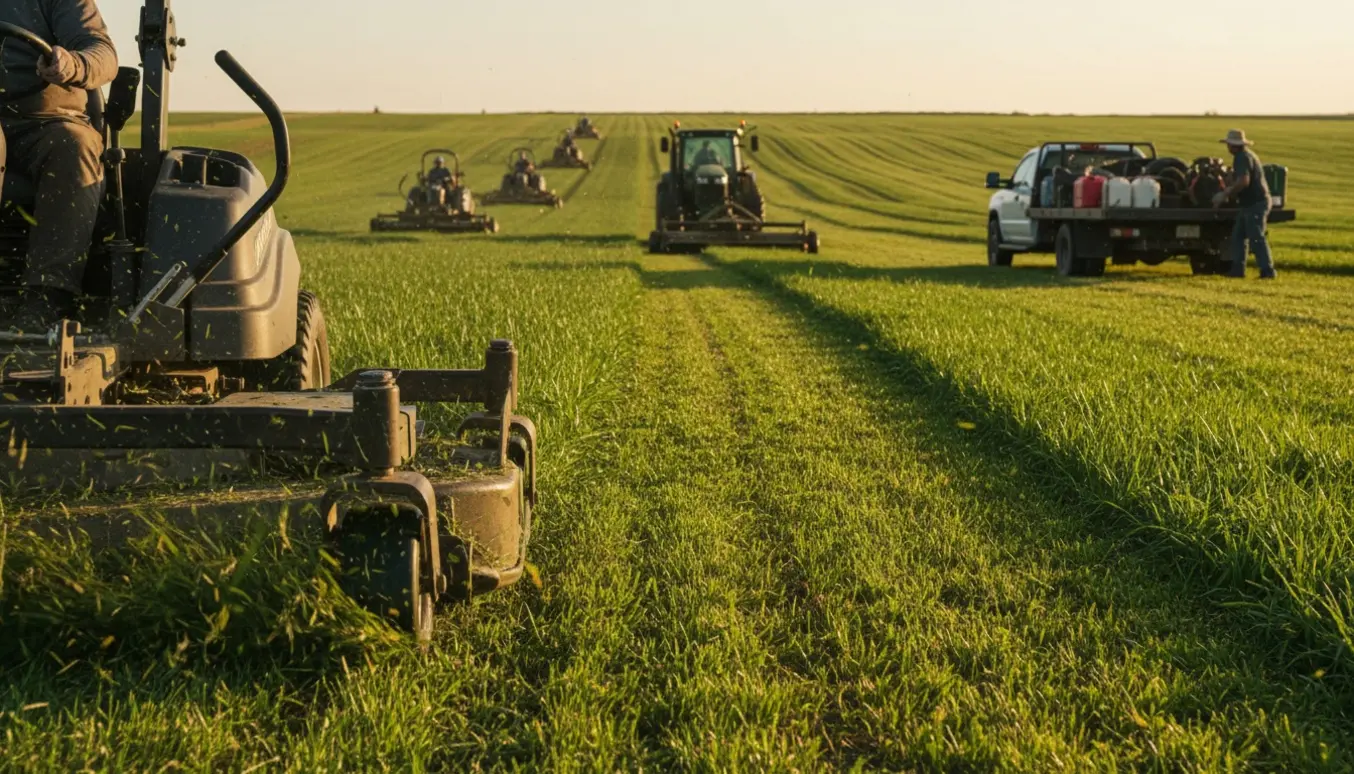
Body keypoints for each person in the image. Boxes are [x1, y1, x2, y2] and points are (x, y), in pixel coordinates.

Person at [1, 0, 119, 330]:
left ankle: (47, 298)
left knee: (74, 146)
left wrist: (72, 63)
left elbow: (102, 53)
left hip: (46, 122)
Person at [1213, 129, 1275, 280]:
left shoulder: (1241, 158)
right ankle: (1237, 270)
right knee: (1238, 236)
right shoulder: (1246, 155)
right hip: (1249, 203)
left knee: (1256, 237)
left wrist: (1226, 193)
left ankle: (1267, 271)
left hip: (1256, 203)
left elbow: (1244, 181)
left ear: (1234, 145)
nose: (1228, 147)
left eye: (1229, 144)